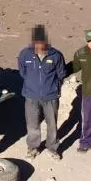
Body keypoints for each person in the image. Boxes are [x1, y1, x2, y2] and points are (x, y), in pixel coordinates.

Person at [17, 25, 66, 160]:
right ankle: (33, 148)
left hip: (50, 96)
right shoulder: (25, 54)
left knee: (52, 124)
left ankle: (52, 148)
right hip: (31, 96)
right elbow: (22, 72)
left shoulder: (56, 55)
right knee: (32, 124)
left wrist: (54, 87)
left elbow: (61, 74)